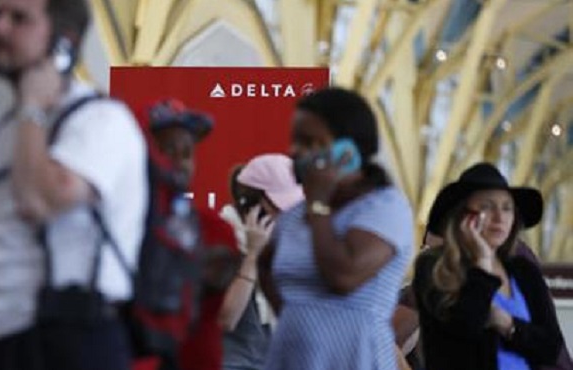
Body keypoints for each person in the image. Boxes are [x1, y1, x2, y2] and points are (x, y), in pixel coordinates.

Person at [0, 0, 149, 369]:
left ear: (65, 40)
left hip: (63, 338)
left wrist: (32, 106)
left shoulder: (100, 120)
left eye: (19, 19)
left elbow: (38, 200)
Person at [260, 87, 414, 370]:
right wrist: (302, 319)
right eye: (295, 141)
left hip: (354, 359)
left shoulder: (384, 207)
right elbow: (267, 264)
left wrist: (319, 205)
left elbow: (344, 275)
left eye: (309, 142)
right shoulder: (294, 216)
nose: (295, 152)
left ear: (348, 152)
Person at [413, 162, 564, 370]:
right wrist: (482, 262)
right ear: (463, 216)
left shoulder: (522, 270)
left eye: (507, 208)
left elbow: (550, 348)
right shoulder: (435, 266)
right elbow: (464, 331)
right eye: (486, 206)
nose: (499, 217)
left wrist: (508, 325)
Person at [147, 99, 241, 370]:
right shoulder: (122, 223)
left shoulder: (215, 228)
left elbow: (217, 285)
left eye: (187, 153)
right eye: (167, 150)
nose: (179, 162)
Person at [219, 154, 304, 370]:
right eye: (283, 209)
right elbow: (226, 319)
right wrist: (252, 255)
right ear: (253, 206)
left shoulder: (283, 247)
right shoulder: (223, 240)